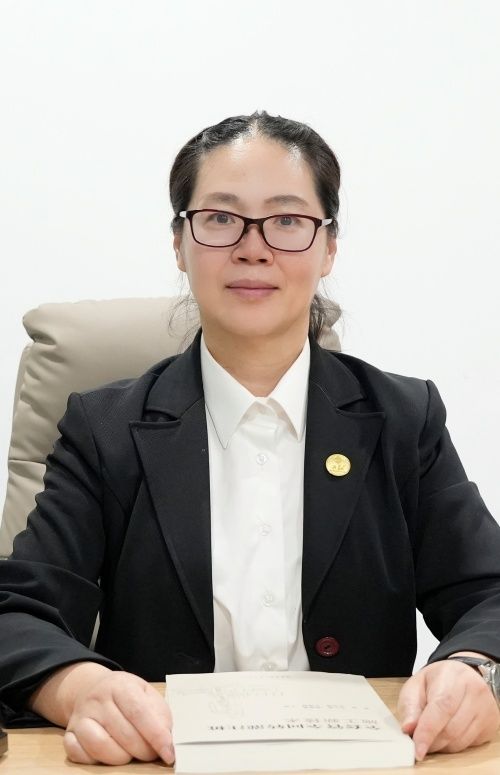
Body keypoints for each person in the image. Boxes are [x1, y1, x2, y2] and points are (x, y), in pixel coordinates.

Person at [0, 111, 499, 767]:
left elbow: (488, 592)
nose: (253, 247)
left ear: (329, 246)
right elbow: (16, 612)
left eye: (287, 220)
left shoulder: (403, 419)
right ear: (179, 243)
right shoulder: (106, 430)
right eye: (220, 218)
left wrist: (474, 668)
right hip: (163, 762)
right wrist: (80, 688)